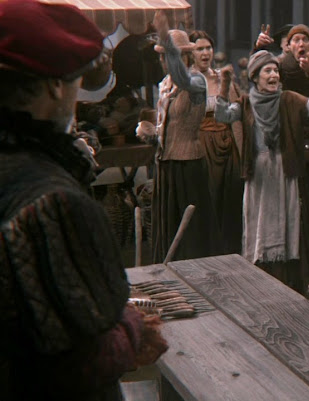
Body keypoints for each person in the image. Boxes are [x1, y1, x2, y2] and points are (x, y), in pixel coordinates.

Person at [0, 1, 167, 399]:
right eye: (75, 80)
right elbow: (81, 364)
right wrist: (133, 328)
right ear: (55, 86)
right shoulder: (52, 203)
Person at [215, 50, 309, 294]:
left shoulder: (289, 99)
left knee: (287, 222)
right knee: (260, 221)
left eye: (276, 70)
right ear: (255, 77)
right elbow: (222, 115)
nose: (274, 75)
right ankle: (261, 276)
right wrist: (224, 85)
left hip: (285, 170)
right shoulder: (246, 103)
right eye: (267, 71)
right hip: (258, 174)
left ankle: (287, 279)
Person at [151, 14, 220, 263]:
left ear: (185, 57)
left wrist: (168, 42)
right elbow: (166, 127)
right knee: (168, 227)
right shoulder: (165, 86)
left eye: (169, 55)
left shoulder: (197, 82)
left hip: (188, 166)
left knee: (190, 233)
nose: (163, 61)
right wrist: (151, 134)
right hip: (166, 166)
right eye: (162, 56)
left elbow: (182, 78)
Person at [188, 30, 244, 255]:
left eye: (208, 48)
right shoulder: (187, 81)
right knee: (208, 198)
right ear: (191, 53)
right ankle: (209, 251)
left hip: (227, 143)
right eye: (199, 49)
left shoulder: (223, 78)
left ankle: (230, 251)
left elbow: (237, 114)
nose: (205, 53)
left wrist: (241, 149)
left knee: (231, 196)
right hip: (202, 145)